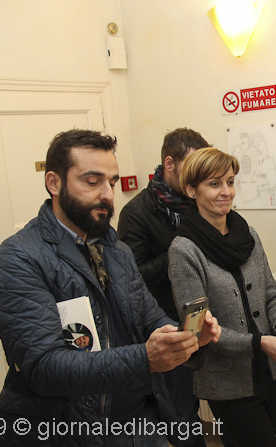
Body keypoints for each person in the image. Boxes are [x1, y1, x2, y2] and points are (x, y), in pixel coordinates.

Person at [0, 129, 219, 446]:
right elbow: (44, 367)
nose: (107, 194)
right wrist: (145, 359)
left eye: (112, 182)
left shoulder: (116, 251)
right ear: (54, 183)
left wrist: (186, 337)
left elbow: (150, 319)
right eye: (92, 182)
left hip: (138, 426)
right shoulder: (20, 258)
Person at [168, 147, 276, 447]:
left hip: (269, 371)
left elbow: (271, 294)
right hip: (227, 383)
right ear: (191, 190)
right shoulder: (184, 250)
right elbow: (200, 330)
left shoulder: (247, 233)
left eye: (230, 182)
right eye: (214, 184)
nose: (226, 192)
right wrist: (258, 342)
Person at [117, 127, 210, 446]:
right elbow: (134, 276)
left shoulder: (199, 201)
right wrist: (181, 248)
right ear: (169, 164)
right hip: (168, 326)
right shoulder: (136, 213)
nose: (197, 176)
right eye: (191, 167)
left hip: (206, 320)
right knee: (182, 416)